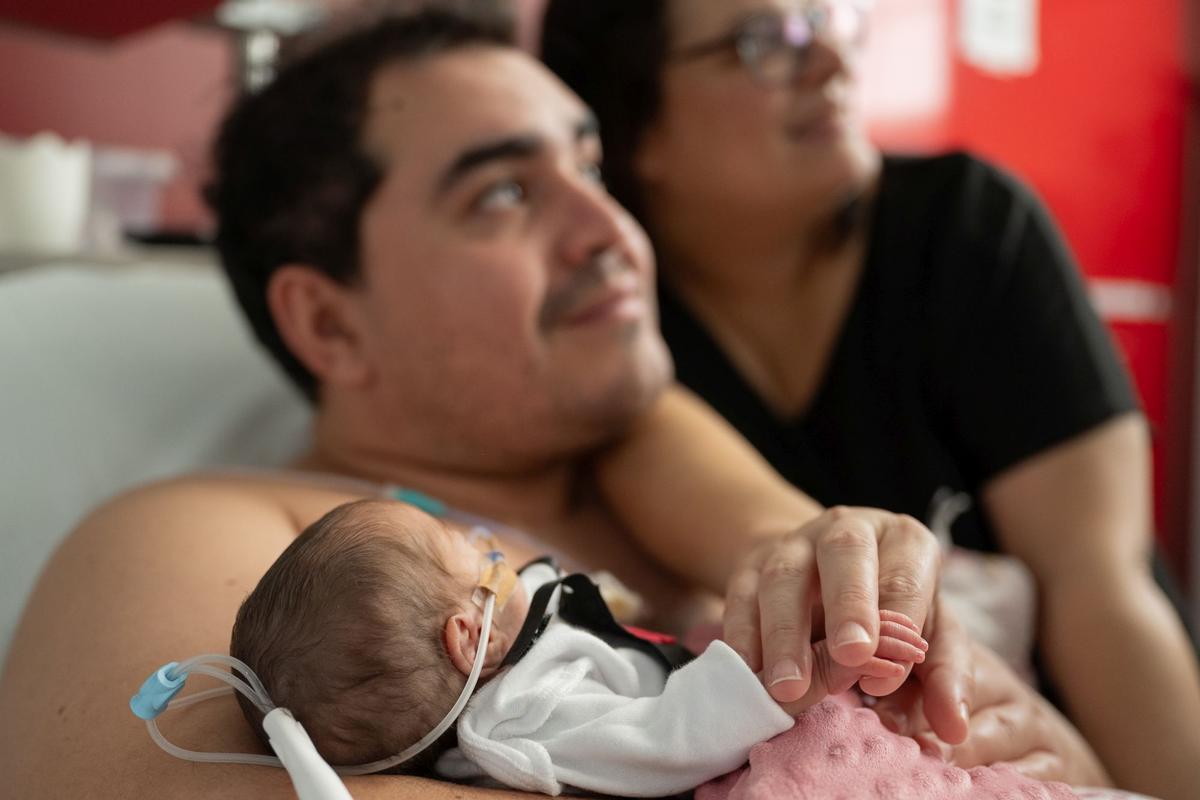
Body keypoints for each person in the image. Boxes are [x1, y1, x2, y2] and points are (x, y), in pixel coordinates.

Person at [0, 6, 1102, 799]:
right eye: (506, 193)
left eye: (594, 167)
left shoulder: (685, 478)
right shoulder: (214, 532)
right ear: (329, 323)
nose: (612, 231)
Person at [538, 1, 1200, 798]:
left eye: (828, 19)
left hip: (1059, 739)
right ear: (634, 131)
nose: (830, 62)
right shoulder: (622, 327)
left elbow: (1102, 584)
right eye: (763, 43)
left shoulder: (966, 232)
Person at [219, 498, 955, 798]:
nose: (489, 549)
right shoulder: (519, 720)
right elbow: (665, 737)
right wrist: (801, 676)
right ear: (468, 635)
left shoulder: (519, 668)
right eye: (471, 554)